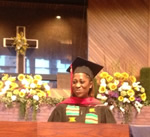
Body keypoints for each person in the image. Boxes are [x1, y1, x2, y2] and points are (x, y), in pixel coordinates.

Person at [48, 57, 116, 124]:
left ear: (90, 84)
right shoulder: (62, 108)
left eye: (82, 82)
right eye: (74, 82)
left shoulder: (101, 109)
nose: (77, 85)